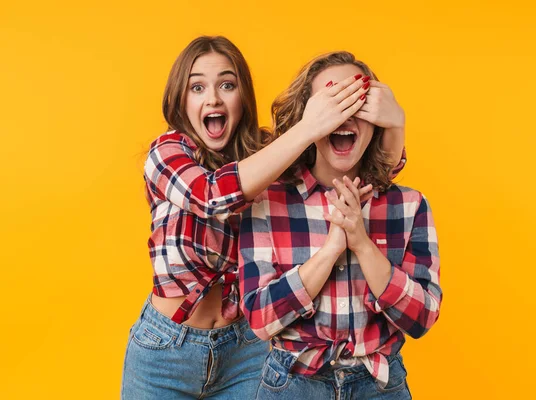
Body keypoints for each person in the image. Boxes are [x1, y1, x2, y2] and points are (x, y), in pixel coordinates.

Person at [122, 37, 405, 399]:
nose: (213, 99)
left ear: (243, 97)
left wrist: (395, 123)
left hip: (246, 348)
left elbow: (361, 179)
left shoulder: (269, 154)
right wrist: (307, 127)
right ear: (181, 99)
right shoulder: (166, 152)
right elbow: (212, 197)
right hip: (166, 349)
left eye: (227, 84)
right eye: (197, 87)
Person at [239, 51, 441, 399]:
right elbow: (259, 319)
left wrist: (362, 243)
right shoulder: (267, 202)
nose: (344, 114)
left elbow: (421, 318)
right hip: (292, 386)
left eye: (357, 102)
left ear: (377, 120)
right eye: (333, 101)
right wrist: (332, 249)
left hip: (379, 385)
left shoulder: (409, 206)